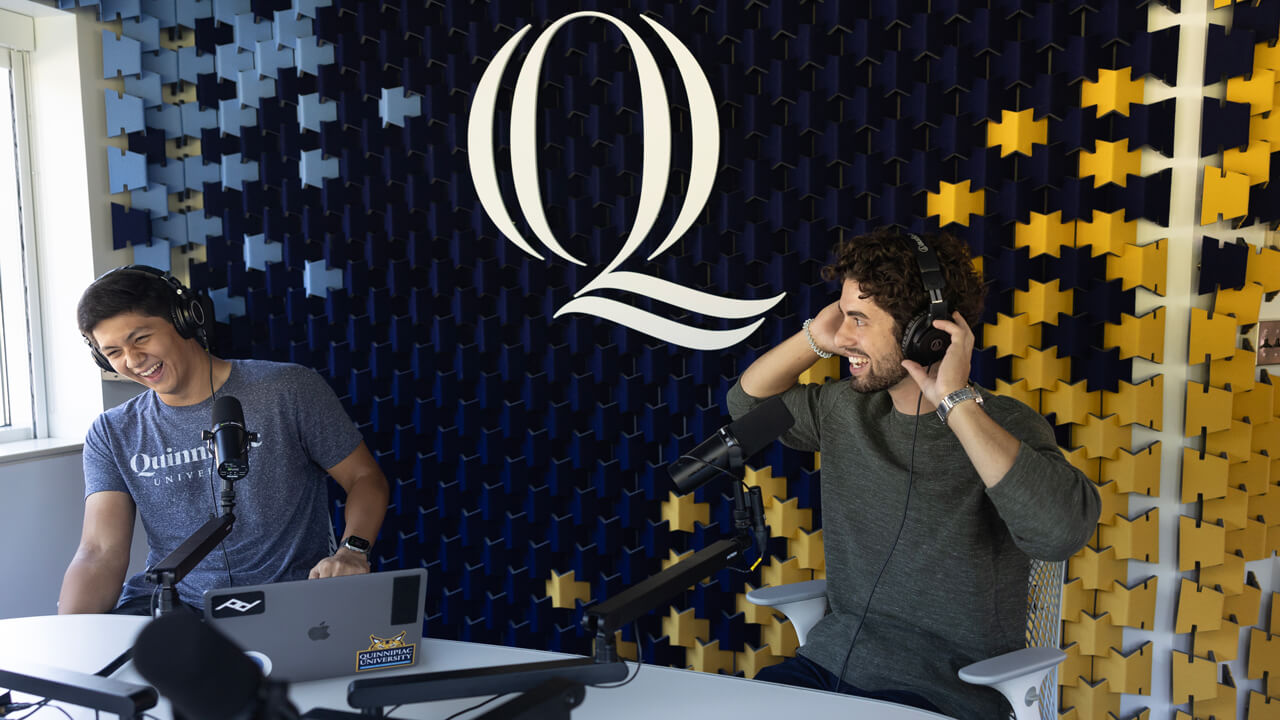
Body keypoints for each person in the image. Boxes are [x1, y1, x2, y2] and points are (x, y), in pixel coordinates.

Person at [728, 227, 1100, 719]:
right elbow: (747, 405)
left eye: (858, 320)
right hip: (827, 666)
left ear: (923, 332)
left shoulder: (1001, 426)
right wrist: (816, 337)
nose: (844, 337)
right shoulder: (844, 409)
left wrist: (956, 402)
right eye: (843, 316)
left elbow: (1059, 534)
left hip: (940, 693)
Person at [59, 266, 390, 615]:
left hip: (287, 600)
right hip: (175, 607)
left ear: (184, 319)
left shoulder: (288, 389)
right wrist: (69, 636)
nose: (132, 360)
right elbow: (98, 551)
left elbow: (365, 479)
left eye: (141, 338)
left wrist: (352, 551)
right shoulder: (111, 432)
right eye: (113, 353)